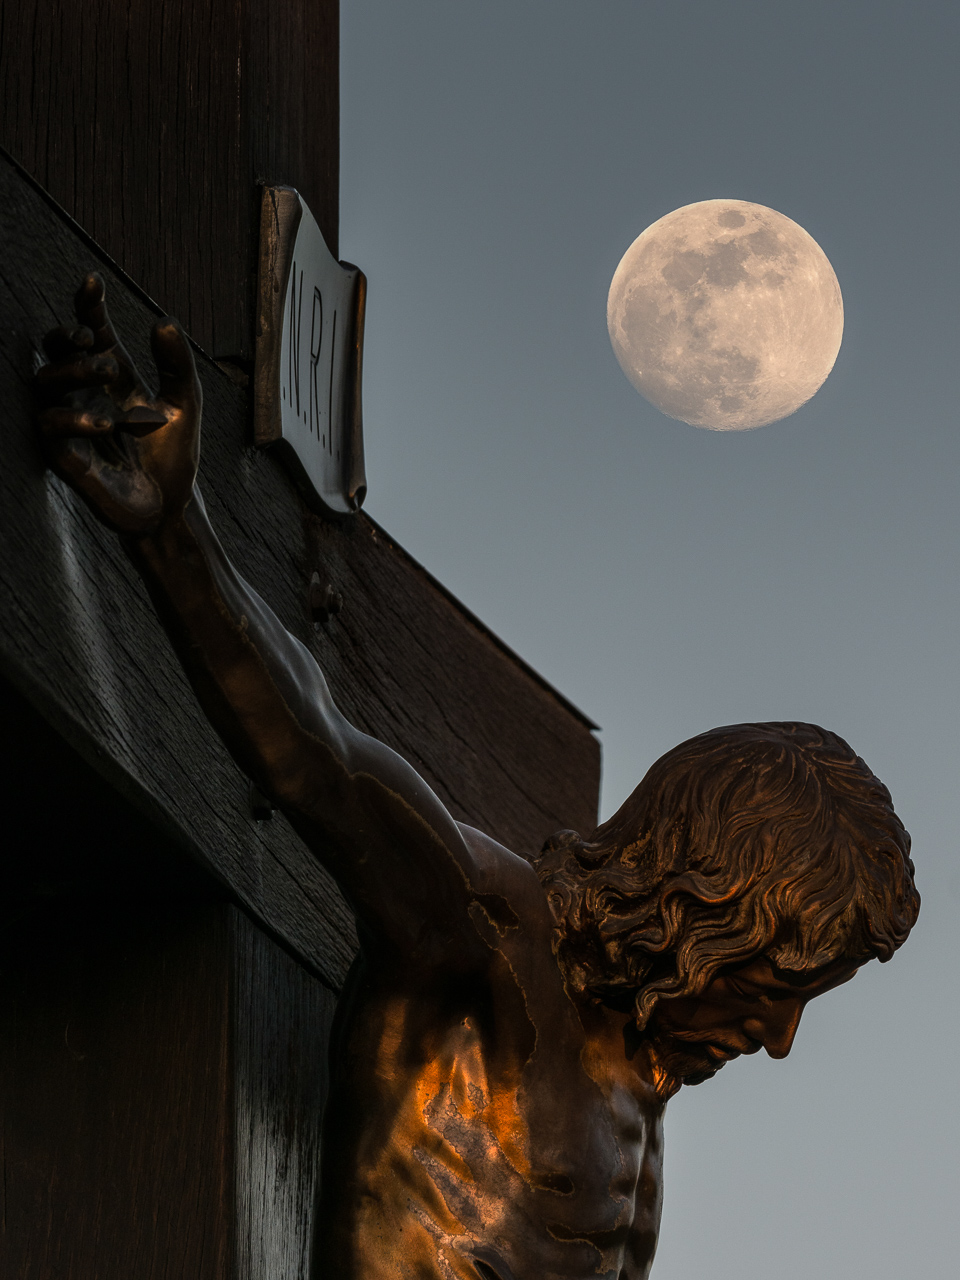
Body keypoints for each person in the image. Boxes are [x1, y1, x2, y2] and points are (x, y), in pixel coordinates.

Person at [35, 274, 920, 1280]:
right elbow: (316, 756)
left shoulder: (640, 1075)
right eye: (773, 989)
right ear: (695, 910)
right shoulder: (487, 940)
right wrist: (174, 535)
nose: (779, 1039)